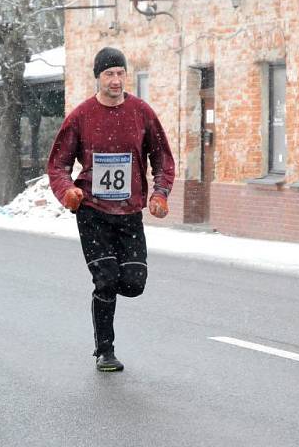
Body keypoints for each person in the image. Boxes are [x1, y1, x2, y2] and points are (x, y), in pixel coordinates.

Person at [47, 47, 175, 372]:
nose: (115, 80)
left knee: (133, 282)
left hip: (129, 212)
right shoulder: (81, 116)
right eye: (109, 74)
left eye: (120, 73)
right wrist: (68, 192)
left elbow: (162, 158)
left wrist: (160, 193)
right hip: (92, 211)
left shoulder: (141, 113)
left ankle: (110, 290)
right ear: (98, 78)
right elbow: (58, 164)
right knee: (105, 279)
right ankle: (105, 350)